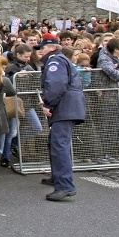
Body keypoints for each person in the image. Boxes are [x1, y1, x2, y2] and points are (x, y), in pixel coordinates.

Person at [36, 34, 86, 201]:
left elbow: (56, 85)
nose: (40, 51)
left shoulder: (55, 60)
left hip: (64, 108)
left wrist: (49, 104)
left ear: (52, 48)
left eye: (42, 48)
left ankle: (64, 185)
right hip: (67, 107)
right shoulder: (60, 59)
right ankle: (58, 176)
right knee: (56, 143)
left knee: (59, 145)